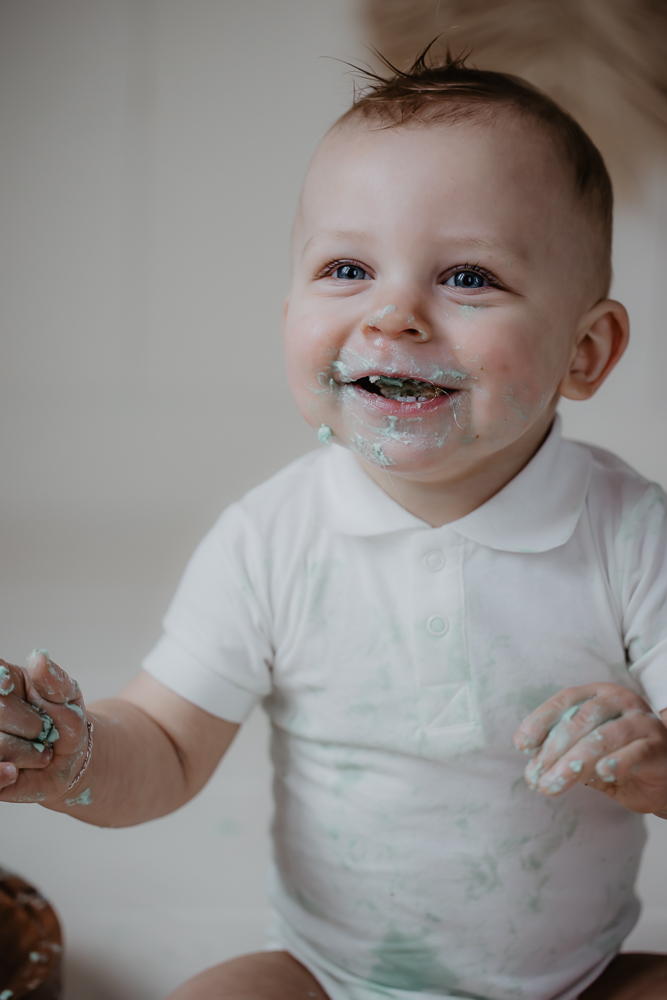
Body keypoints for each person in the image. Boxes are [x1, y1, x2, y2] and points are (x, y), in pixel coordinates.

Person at [1, 52, 667, 1000]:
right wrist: (75, 754)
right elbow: (168, 741)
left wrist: (655, 766)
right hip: (331, 979)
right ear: (288, 315)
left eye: (467, 276)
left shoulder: (632, 534)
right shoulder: (272, 537)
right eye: (346, 268)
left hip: (580, 979)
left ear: (584, 349)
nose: (392, 313)